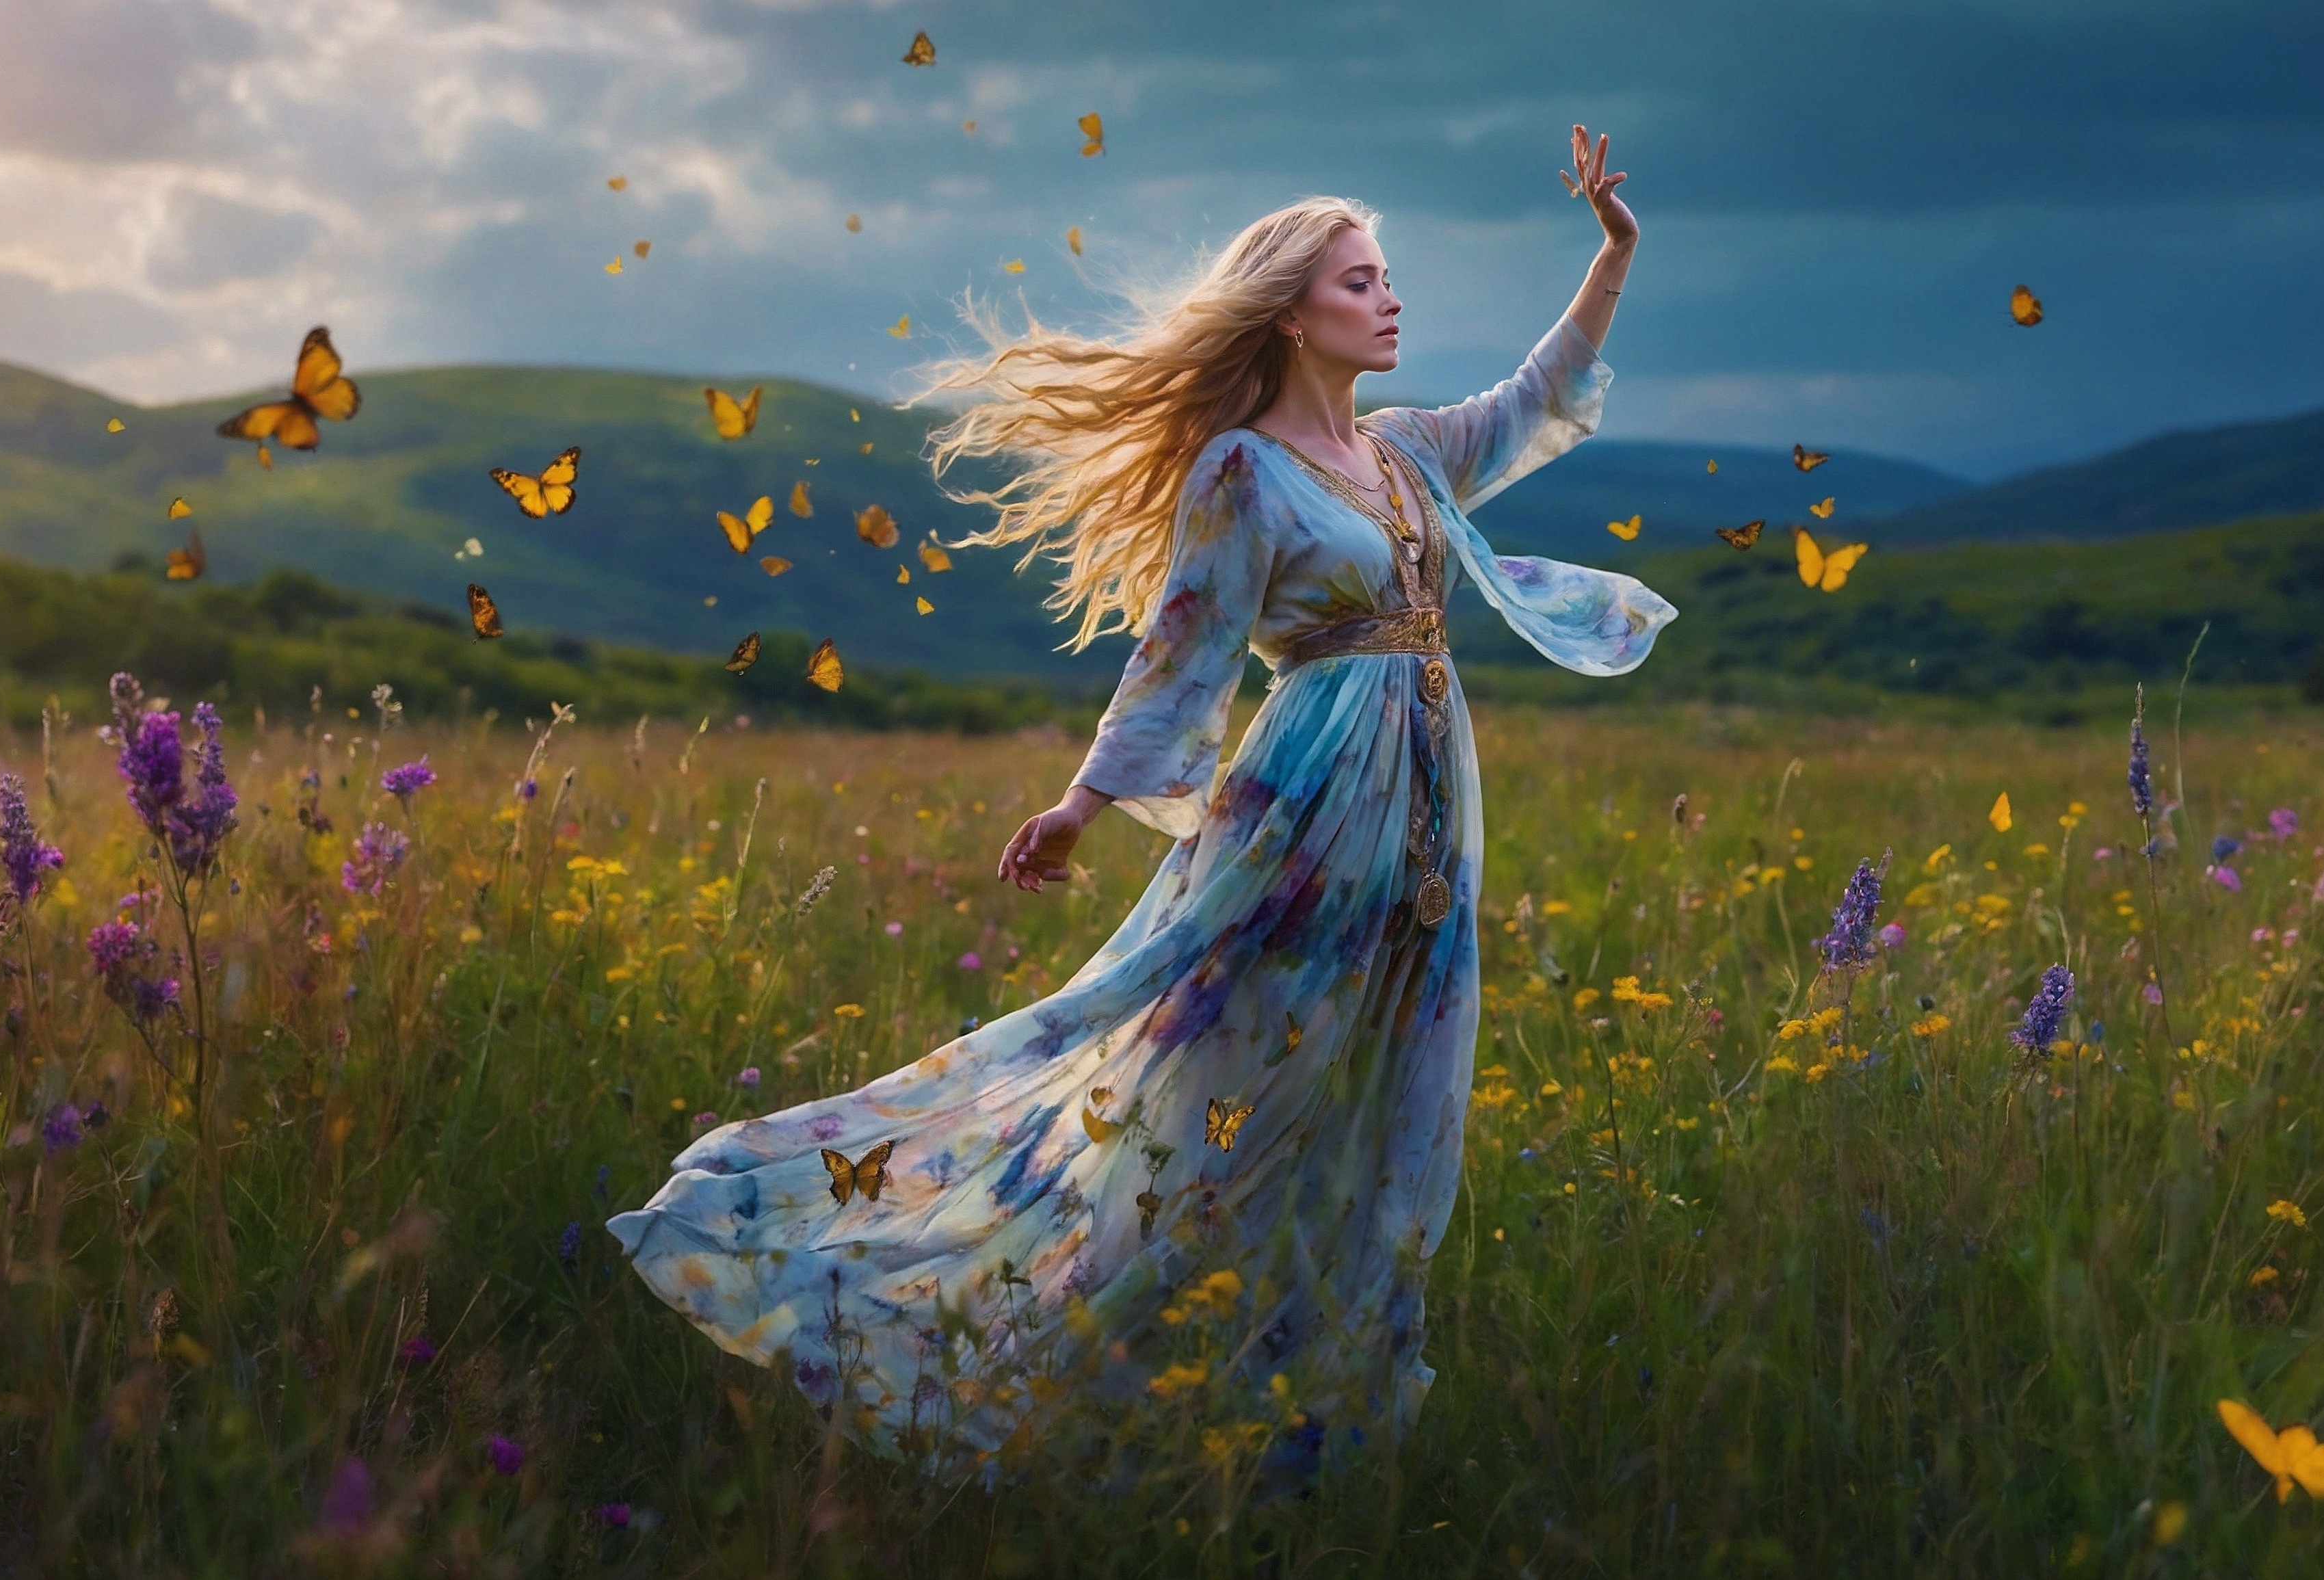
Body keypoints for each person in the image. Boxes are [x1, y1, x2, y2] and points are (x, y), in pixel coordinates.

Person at [610, 127, 1673, 1477]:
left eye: (1387, 276)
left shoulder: (1407, 454)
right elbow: (1185, 647)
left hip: (1424, 812)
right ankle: (1036, 1340)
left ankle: (1316, 1406)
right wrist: (1080, 805)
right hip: (1304, 809)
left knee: (1383, 1083)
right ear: (1291, 314)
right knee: (1220, 1082)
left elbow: (1539, 396)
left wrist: (1612, 252)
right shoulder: (1242, 471)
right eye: (1359, 281)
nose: (1387, 297)